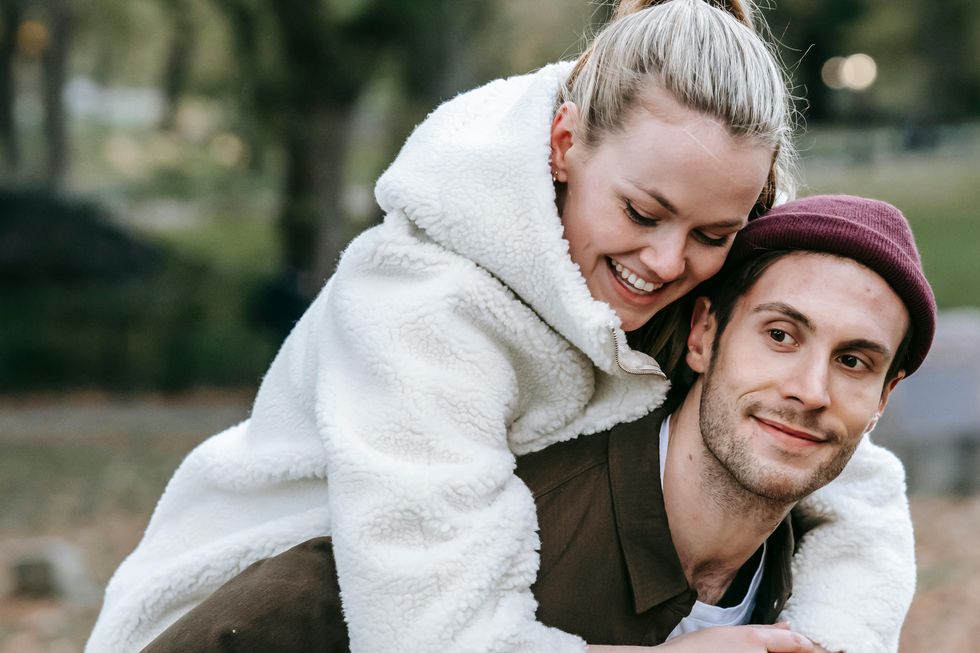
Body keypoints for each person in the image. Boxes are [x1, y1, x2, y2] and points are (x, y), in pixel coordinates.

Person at [86, 3, 915, 652]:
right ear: (563, 144)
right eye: (642, 212)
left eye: (711, 235)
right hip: (246, 615)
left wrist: (832, 639)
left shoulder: (668, 278)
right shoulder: (422, 305)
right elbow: (429, 637)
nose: (666, 262)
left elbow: (851, 470)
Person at [137, 195, 934, 653]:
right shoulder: (482, 525)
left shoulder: (816, 595)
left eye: (856, 362)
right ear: (702, 336)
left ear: (884, 398)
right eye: (781, 334)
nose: (809, 389)